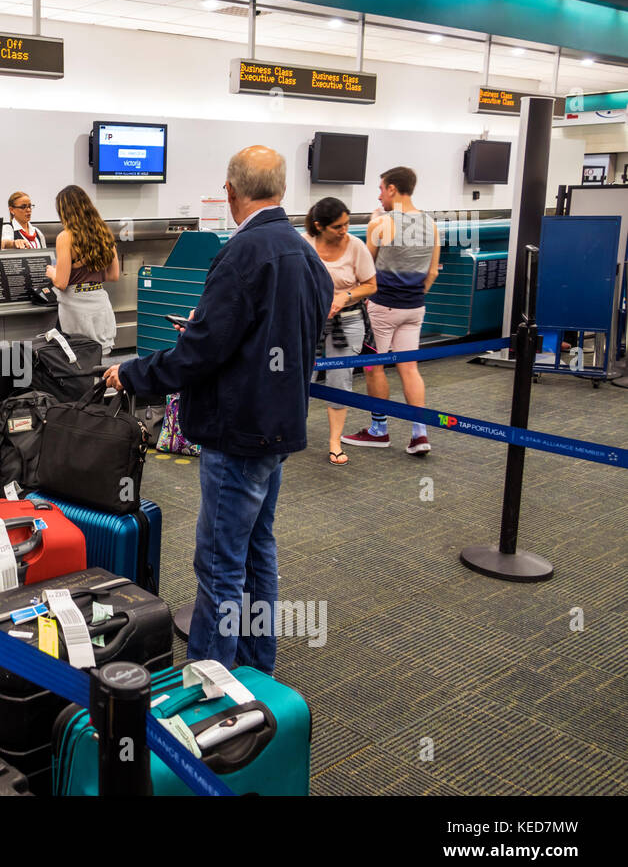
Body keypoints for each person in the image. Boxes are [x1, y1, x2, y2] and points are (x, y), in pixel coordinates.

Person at [104, 146, 330, 674]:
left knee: (219, 563)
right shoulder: (304, 253)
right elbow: (290, 334)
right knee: (257, 553)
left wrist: (134, 372)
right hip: (279, 427)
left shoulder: (243, 253)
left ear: (231, 191)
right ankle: (255, 668)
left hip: (238, 432)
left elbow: (202, 352)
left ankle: (210, 682)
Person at [341, 166, 440, 455]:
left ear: (393, 189)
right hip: (415, 309)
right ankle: (419, 433)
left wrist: (375, 222)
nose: (379, 194)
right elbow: (432, 272)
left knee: (375, 367)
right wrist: (413, 295)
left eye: (382, 188)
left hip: (383, 308)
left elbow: (366, 269)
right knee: (409, 368)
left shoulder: (381, 224)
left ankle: (379, 430)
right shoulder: (430, 223)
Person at [303, 197, 377, 466]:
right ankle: (293, 431)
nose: (344, 230)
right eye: (338, 226)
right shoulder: (304, 243)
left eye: (346, 224)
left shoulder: (356, 247)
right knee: (301, 376)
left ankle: (335, 441)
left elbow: (370, 285)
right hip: (310, 320)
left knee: (340, 379)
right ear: (319, 226)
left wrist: (345, 296)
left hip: (347, 322)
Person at [46, 184, 120, 354]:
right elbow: (113, 275)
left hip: (76, 307)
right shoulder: (103, 233)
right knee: (101, 358)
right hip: (100, 302)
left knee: (79, 359)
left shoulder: (65, 237)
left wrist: (52, 272)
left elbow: (62, 283)